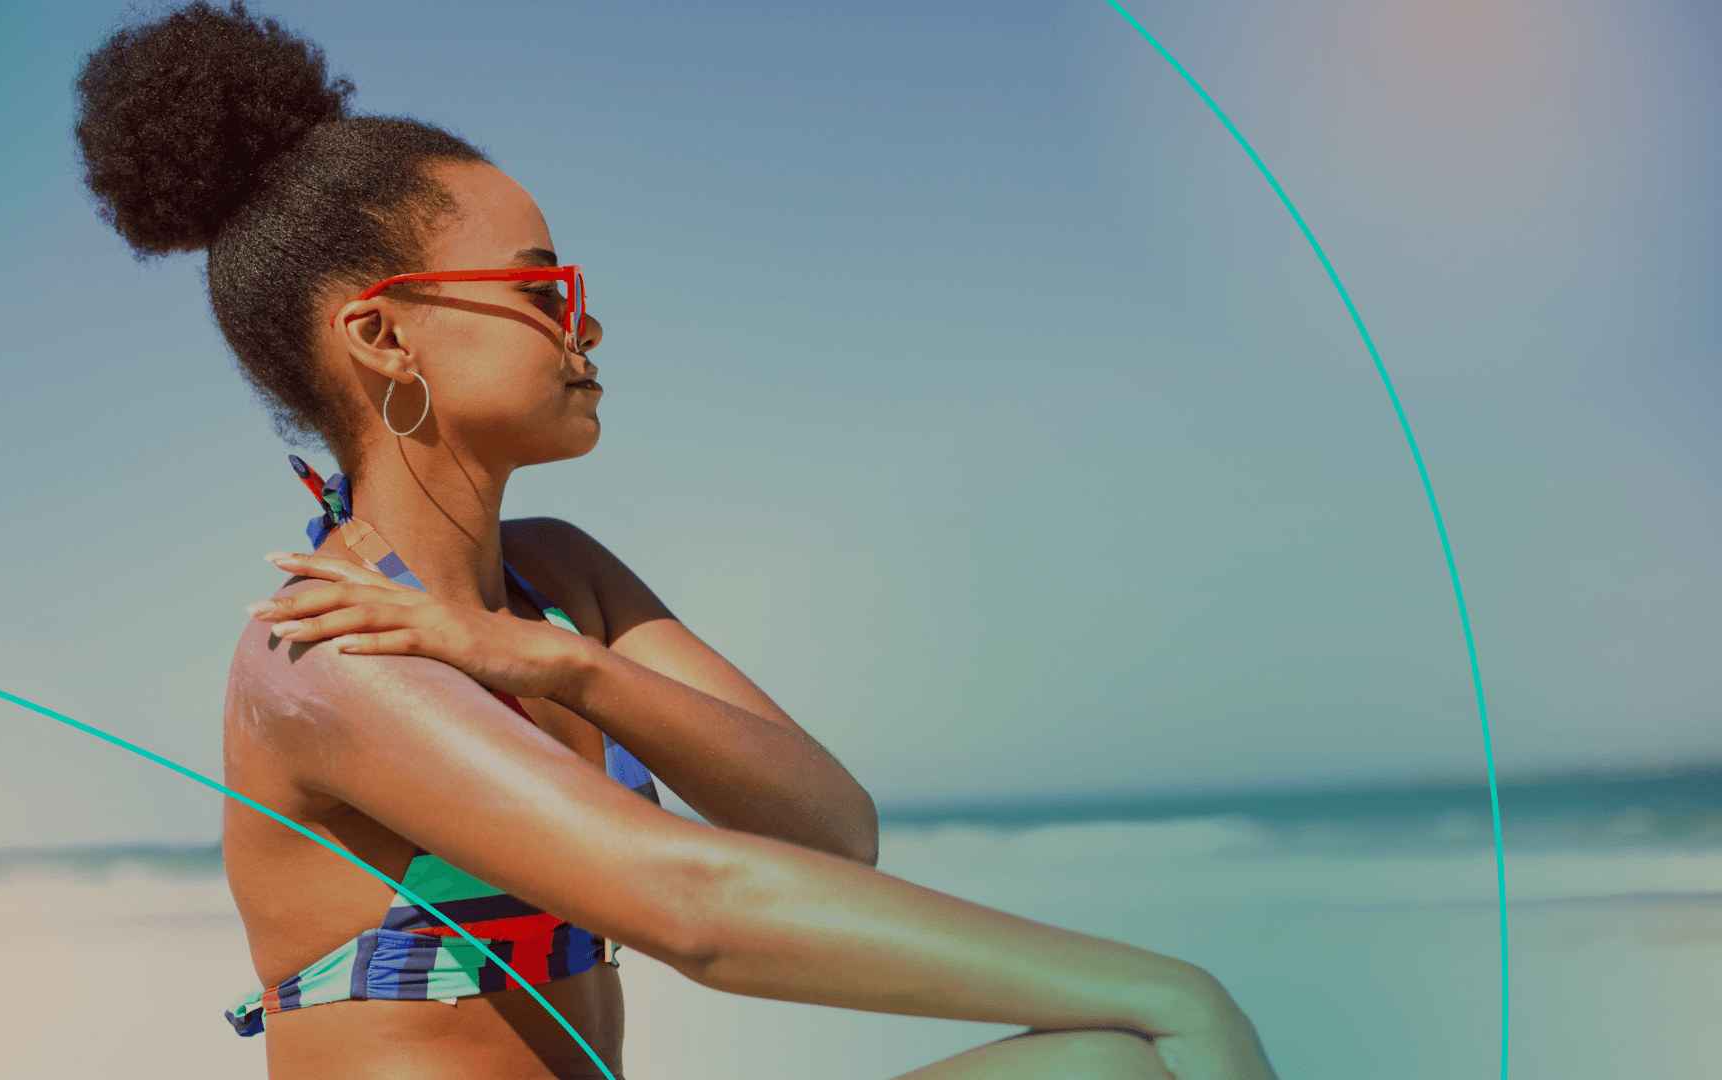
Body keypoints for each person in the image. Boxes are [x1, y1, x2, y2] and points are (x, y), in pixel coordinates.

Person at [73, 4, 1278, 1078]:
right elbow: (692, 906)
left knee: (1108, 1068)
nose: (585, 327)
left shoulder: (562, 582)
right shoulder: (325, 651)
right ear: (383, 337)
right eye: (541, 289)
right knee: (1153, 1034)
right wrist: (1170, 986)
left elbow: (831, 833)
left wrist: (572, 667)